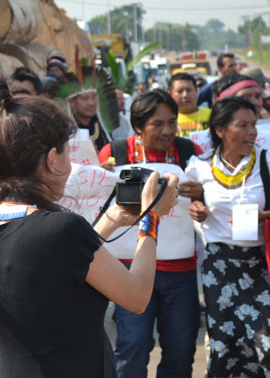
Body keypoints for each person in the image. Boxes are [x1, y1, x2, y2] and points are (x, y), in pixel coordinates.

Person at [0, 76, 178, 377]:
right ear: (52, 159)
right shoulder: (62, 229)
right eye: (68, 153)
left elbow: (55, 260)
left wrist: (114, 218)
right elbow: (138, 296)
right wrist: (151, 219)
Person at [187, 97, 270, 376]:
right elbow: (187, 204)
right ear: (220, 130)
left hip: (263, 265)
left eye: (254, 125)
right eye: (242, 125)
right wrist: (195, 208)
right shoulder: (199, 167)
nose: (252, 132)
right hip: (219, 268)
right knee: (226, 347)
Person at [97, 91, 204, 377]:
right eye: (158, 124)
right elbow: (96, 203)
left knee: (181, 350)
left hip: (180, 270)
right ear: (138, 127)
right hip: (130, 270)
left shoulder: (190, 152)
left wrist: (201, 195)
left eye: (173, 122)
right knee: (132, 347)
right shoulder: (114, 153)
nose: (168, 130)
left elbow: (208, 203)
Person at [169, 72, 211, 138]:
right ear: (170, 94)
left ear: (197, 91)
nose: (185, 95)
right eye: (180, 91)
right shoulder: (166, 120)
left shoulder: (212, 116)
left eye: (189, 90)